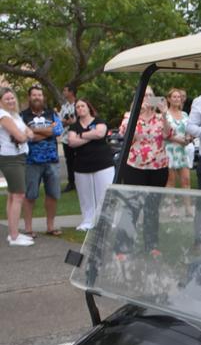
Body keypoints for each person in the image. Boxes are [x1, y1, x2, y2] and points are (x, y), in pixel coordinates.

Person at [118, 87, 173, 256]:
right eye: (144, 95)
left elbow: (168, 134)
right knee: (132, 207)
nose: (148, 98)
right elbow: (126, 136)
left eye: (150, 95)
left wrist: (164, 113)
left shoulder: (160, 117)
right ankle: (123, 247)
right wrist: (136, 114)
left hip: (158, 167)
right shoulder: (130, 117)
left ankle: (151, 246)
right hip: (135, 167)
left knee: (152, 208)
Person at [21, 85, 64, 237]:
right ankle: (28, 228)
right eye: (34, 95)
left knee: (52, 194)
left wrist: (33, 130)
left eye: (40, 95)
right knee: (30, 195)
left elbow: (58, 131)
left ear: (43, 97)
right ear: (29, 97)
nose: (37, 97)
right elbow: (24, 136)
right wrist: (48, 131)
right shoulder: (22, 116)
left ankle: (50, 227)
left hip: (52, 160)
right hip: (31, 162)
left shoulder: (52, 113)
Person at [67, 97, 115, 230]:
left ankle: (106, 221)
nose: (80, 109)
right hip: (82, 165)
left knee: (105, 194)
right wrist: (90, 135)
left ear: (89, 107)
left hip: (103, 163)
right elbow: (71, 142)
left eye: (83, 106)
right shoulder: (74, 126)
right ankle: (88, 221)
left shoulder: (99, 121)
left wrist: (81, 136)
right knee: (85, 196)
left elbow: (100, 133)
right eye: (78, 107)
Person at [0, 86, 34, 245]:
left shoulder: (15, 115)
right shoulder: (3, 116)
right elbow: (21, 136)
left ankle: (13, 233)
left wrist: (26, 134)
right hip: (11, 158)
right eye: (7, 99)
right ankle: (14, 236)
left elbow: (30, 132)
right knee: (19, 195)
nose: (11, 101)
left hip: (19, 156)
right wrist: (25, 135)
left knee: (13, 195)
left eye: (12, 98)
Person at [164, 88, 192, 195]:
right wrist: (179, 140)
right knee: (170, 181)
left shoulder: (185, 114)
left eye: (179, 97)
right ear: (169, 99)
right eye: (174, 97)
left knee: (186, 180)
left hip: (182, 150)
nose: (177, 99)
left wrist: (189, 138)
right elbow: (164, 134)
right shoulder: (165, 114)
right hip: (169, 149)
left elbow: (188, 130)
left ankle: (188, 209)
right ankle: (169, 209)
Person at [58, 84, 77, 192]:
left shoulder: (78, 105)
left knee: (78, 160)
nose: (64, 93)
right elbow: (60, 121)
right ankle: (71, 182)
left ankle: (80, 181)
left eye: (65, 90)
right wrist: (65, 122)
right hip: (66, 138)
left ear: (71, 92)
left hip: (78, 137)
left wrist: (72, 122)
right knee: (69, 161)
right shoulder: (64, 107)